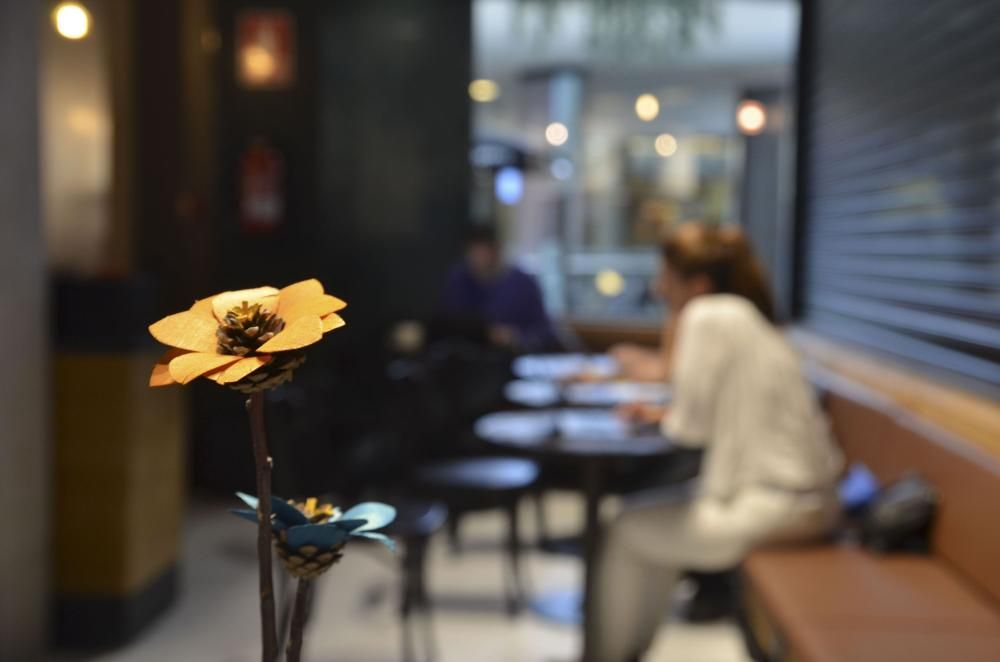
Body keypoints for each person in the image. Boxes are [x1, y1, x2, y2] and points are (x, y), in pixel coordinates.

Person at [591, 223, 844, 661]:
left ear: (697, 284)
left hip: (775, 508)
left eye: (665, 279)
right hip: (809, 502)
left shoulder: (708, 315)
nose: (657, 289)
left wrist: (664, 410)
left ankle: (607, 656)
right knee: (649, 524)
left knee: (623, 526)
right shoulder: (749, 318)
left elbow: (689, 429)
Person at [441, 224, 556, 352]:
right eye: (473, 252)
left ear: (496, 250)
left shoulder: (523, 284)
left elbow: (544, 333)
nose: (478, 258)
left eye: (482, 251)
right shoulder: (459, 280)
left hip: (512, 358)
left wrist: (514, 337)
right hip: (467, 358)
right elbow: (447, 325)